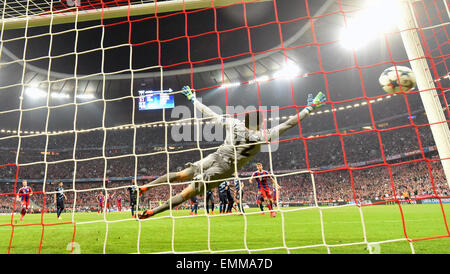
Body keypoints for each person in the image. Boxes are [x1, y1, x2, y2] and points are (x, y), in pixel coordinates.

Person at [138, 86, 326, 219]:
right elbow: (289, 123)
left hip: (215, 155)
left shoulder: (234, 124)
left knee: (181, 175)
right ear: (259, 124)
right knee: (187, 193)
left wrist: (193, 99)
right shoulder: (263, 136)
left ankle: (147, 187)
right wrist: (309, 108)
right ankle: (152, 212)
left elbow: (210, 114)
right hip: (225, 167)